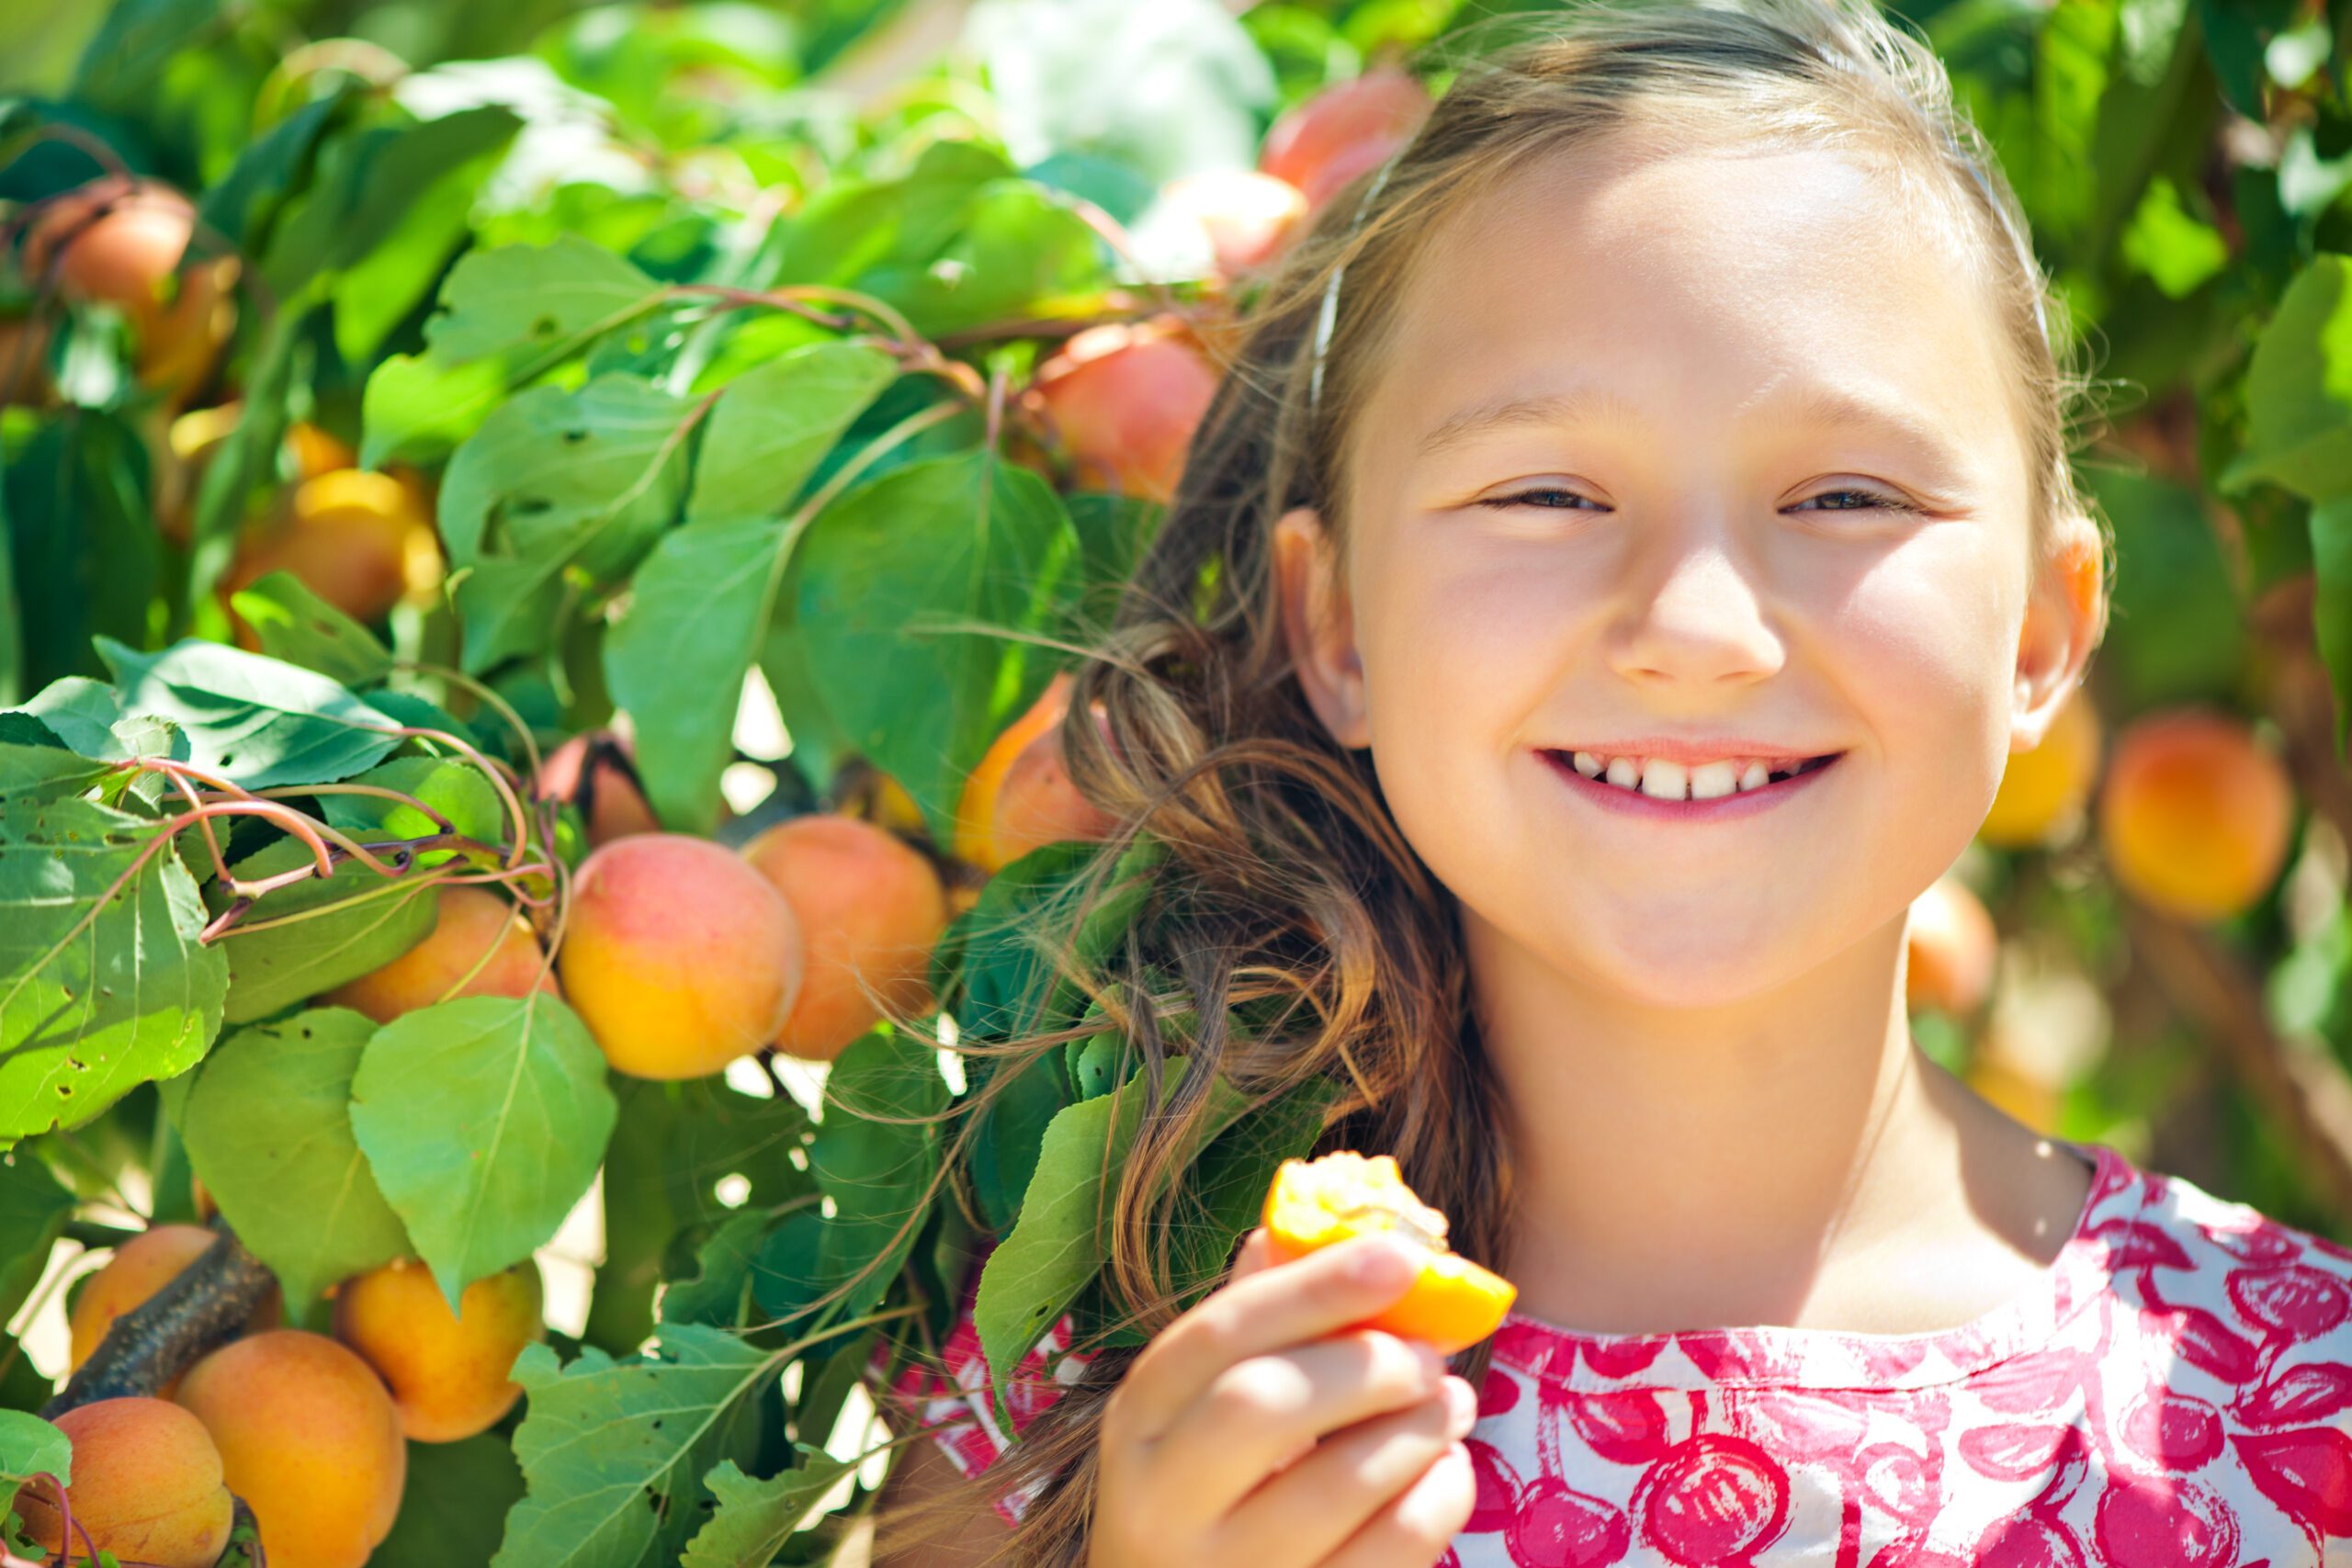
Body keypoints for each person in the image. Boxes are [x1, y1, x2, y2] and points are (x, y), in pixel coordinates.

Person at [860, 1, 2352, 1563]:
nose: (1695, 631)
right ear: (1340, 625)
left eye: (1846, 494)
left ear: (2044, 631)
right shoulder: (1103, 1405)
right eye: (1548, 492)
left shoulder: (2295, 1408)